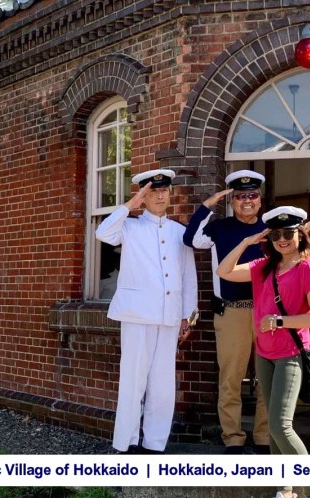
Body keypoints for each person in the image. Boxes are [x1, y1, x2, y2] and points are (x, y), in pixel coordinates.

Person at [217, 206, 310, 498]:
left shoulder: (306, 267)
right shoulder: (264, 265)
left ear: (299, 234)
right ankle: (286, 489)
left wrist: (280, 321)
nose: (282, 240)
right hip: (264, 354)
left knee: (280, 426)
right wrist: (246, 242)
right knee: (273, 428)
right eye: (275, 234)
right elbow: (223, 271)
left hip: (290, 353)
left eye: (288, 234)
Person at [95, 169, 198, 453]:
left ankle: (154, 444)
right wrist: (130, 205)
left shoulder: (179, 232)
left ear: (170, 193)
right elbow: (102, 233)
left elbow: (188, 277)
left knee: (163, 384)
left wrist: (188, 317)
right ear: (143, 195)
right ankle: (126, 443)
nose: (160, 196)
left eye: (164, 191)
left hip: (169, 316)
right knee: (133, 380)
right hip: (137, 315)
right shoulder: (129, 226)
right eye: (153, 191)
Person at [183, 169, 271, 454]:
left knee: (268, 378)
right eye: (240, 196)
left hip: (267, 313)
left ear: (260, 199)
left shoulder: (271, 229)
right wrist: (207, 206)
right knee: (231, 379)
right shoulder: (219, 228)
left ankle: (264, 436)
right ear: (232, 201)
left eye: (252, 195)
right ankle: (233, 437)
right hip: (232, 312)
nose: (247, 201)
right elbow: (190, 239)